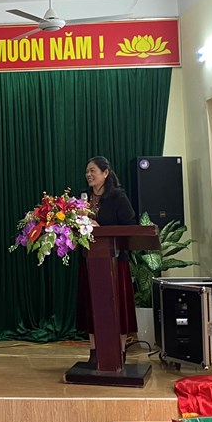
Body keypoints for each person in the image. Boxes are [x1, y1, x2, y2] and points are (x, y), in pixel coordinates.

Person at [77, 155, 138, 366]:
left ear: (105, 173)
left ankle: (120, 352)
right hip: (90, 262)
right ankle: (94, 352)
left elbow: (130, 227)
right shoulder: (83, 199)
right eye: (87, 171)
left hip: (115, 262)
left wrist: (101, 229)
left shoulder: (118, 197)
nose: (88, 174)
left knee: (118, 306)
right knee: (92, 306)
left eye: (92, 170)